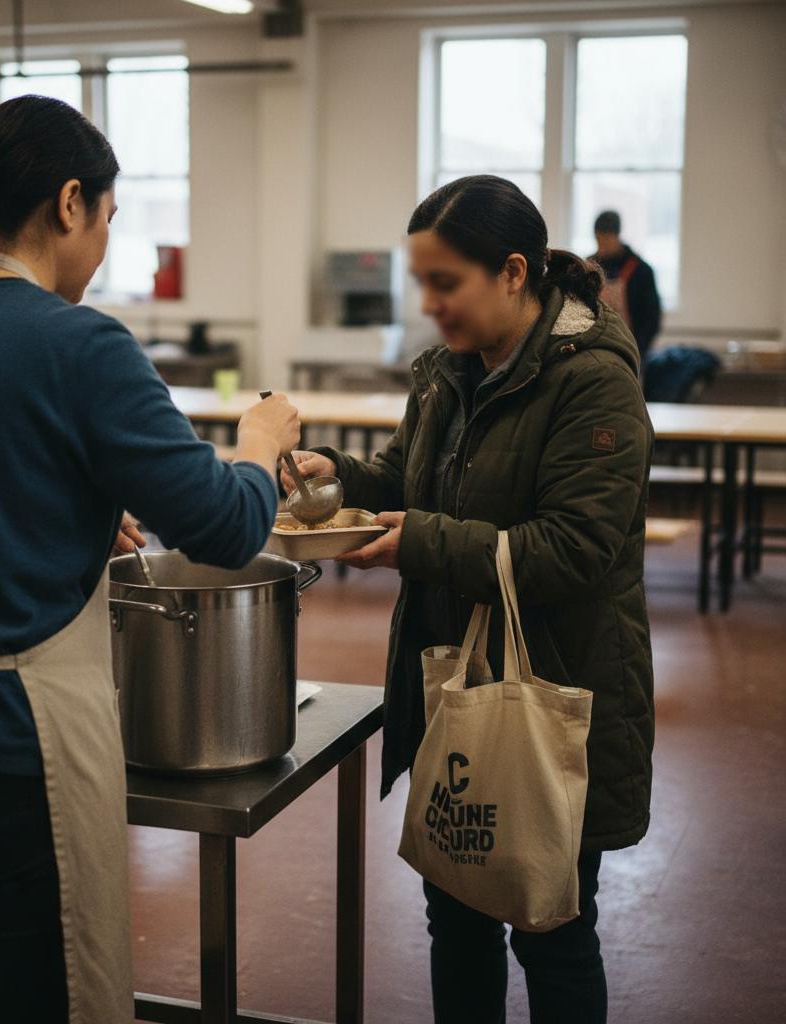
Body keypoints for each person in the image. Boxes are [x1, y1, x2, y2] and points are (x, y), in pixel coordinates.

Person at [0, 95, 300, 1024]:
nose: (105, 243)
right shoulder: (81, 344)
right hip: (5, 758)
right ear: (71, 202)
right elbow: (228, 528)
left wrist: (62, 516)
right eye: (110, 219)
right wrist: (259, 444)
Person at [283, 175, 655, 1024]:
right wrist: (337, 472)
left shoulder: (592, 380)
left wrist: (417, 542)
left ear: (514, 272)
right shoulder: (450, 372)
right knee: (455, 915)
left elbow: (573, 549)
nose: (431, 302)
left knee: (552, 931)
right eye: (424, 282)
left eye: (446, 282)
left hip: (552, 688)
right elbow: (407, 479)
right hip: (451, 683)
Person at [590, 209, 663, 362]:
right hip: (595, 349)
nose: (601, 244)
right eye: (598, 239)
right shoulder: (589, 268)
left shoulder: (641, 271)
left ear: (617, 236)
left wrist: (639, 350)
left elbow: (652, 317)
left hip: (630, 350)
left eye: (606, 239)